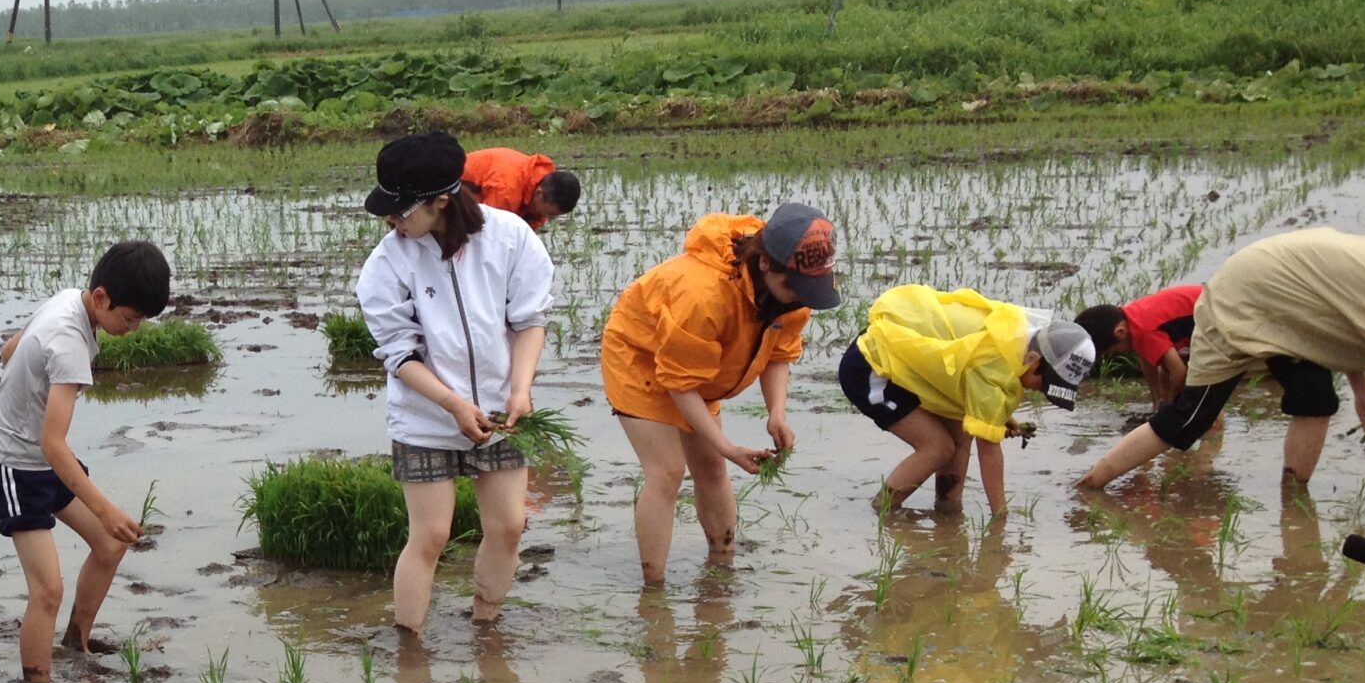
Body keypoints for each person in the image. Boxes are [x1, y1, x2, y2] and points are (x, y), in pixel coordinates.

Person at [355, 130, 553, 631]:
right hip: (424, 417)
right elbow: (399, 353)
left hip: (499, 413)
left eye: (401, 209)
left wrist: (520, 389)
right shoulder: (388, 261)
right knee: (431, 536)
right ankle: (409, 648)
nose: (392, 220)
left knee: (509, 526)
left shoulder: (510, 237)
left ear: (441, 200)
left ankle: (486, 629)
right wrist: (452, 404)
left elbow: (528, 321)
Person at [601, 205, 840, 585]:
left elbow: (778, 353)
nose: (800, 298)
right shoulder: (704, 294)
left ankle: (722, 566)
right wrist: (728, 446)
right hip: (640, 356)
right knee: (666, 471)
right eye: (794, 287)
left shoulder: (792, 296)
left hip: (695, 365)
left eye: (809, 289)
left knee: (711, 467)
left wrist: (777, 412)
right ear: (765, 263)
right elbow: (679, 383)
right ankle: (654, 590)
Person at [0, 239, 172, 680]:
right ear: (101, 298)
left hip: (40, 458)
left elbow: (10, 350)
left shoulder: (69, 299)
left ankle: (75, 645)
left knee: (110, 544)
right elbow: (53, 444)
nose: (133, 329)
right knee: (48, 590)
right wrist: (105, 510)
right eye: (130, 318)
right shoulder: (70, 344)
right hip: (13, 464)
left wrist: (23, 388)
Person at [1077, 230, 1365, 494]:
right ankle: (1091, 483)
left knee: (1313, 398)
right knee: (1190, 416)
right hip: (1251, 292)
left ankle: (1294, 499)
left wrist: (1362, 393)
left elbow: (1338, 326)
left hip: (1280, 280)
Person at [838, 287, 1096, 516]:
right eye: (1045, 384)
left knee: (962, 433)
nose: (1041, 391)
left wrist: (1003, 419)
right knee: (937, 447)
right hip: (871, 366)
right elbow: (989, 450)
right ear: (1032, 359)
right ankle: (882, 510)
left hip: (906, 355)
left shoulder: (1013, 334)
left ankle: (948, 509)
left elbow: (979, 388)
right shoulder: (994, 370)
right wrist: (1000, 518)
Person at [1074, 284, 1202, 407]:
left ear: (1120, 332)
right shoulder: (1133, 320)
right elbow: (1147, 360)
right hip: (1198, 312)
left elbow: (1179, 372)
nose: (1114, 353)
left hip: (1209, 315)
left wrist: (1173, 406)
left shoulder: (1146, 331)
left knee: (1168, 373)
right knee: (1165, 371)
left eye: (1113, 350)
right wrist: (1156, 400)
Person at [461, 147, 581, 232]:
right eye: (550, 213)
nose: (549, 219)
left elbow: (521, 237)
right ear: (539, 194)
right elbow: (487, 231)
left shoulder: (537, 201)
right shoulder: (508, 191)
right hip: (454, 191)